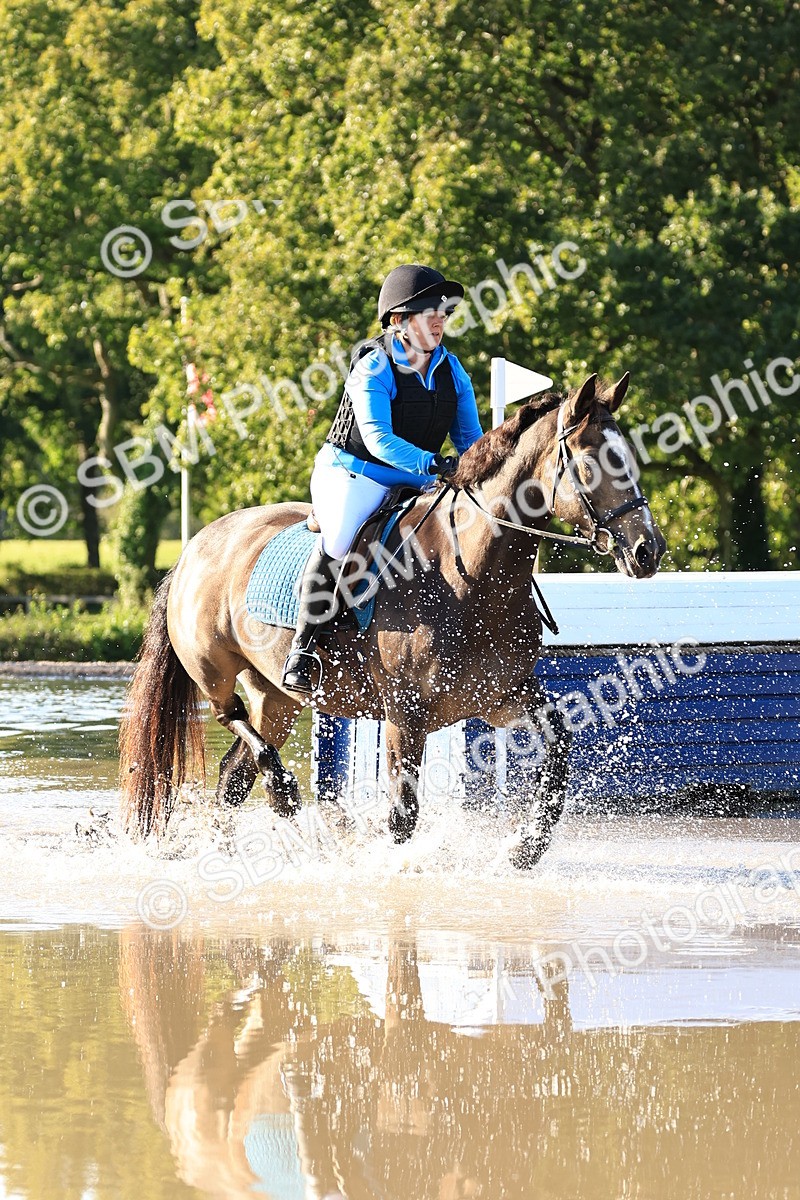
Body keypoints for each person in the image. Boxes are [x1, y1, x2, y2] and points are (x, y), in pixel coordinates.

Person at [282, 263, 484, 694]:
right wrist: (434, 465)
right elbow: (378, 440)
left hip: (419, 479)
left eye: (443, 313)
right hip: (355, 473)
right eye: (427, 311)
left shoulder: (454, 371)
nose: (438, 320)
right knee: (339, 538)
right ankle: (304, 646)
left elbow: (470, 438)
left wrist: (484, 471)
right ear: (398, 321)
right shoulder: (374, 366)